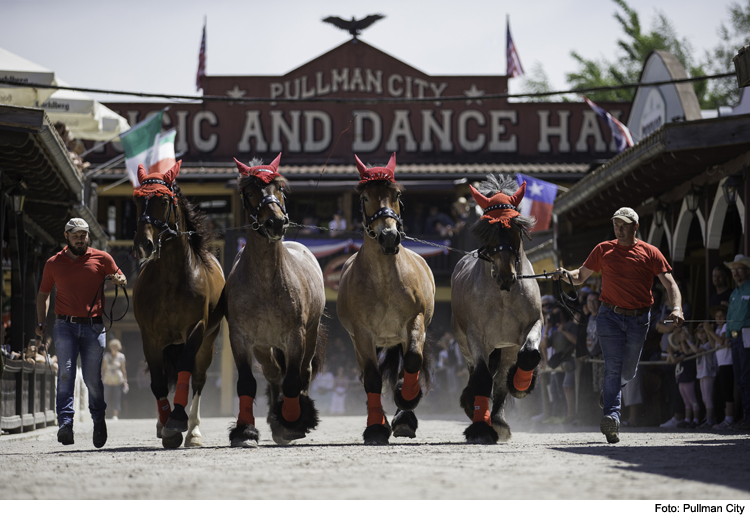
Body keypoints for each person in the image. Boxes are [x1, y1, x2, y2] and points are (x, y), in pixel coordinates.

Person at [553, 206, 684, 444]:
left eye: (624, 225)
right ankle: (612, 418)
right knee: (613, 366)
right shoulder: (603, 249)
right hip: (609, 316)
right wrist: (563, 274)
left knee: (628, 370)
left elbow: (670, 284)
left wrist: (677, 308)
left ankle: (610, 391)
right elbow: (580, 276)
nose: (619, 229)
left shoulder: (651, 252)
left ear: (635, 227)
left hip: (639, 318)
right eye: (616, 224)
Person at [36, 218, 127, 448]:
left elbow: (122, 277)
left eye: (83, 235)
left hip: (94, 327)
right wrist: (41, 322)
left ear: (88, 236)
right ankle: (65, 424)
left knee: (93, 380)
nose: (80, 238)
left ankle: (99, 420)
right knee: (65, 373)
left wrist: (118, 279)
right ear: (66, 236)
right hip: (64, 325)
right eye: (75, 234)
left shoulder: (102, 258)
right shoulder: (53, 263)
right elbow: (43, 294)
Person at [724, 254, 750, 430]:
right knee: (740, 378)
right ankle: (746, 416)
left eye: (739, 269)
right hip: (735, 338)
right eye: (734, 270)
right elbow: (730, 317)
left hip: (747, 335)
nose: (735, 273)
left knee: (746, 377)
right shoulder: (734, 293)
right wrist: (727, 335)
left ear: (747, 271)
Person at [705, 305, 736, 429]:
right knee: (723, 390)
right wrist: (708, 332)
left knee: (728, 390)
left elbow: (722, 341)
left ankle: (730, 419)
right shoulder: (718, 328)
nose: (719, 318)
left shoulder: (726, 326)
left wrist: (710, 331)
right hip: (721, 363)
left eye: (721, 316)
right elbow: (714, 345)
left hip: (728, 362)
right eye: (717, 317)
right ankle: (726, 417)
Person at [102, 339, 128, 420]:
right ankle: (104, 415)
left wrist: (125, 382)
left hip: (117, 381)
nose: (114, 348)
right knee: (105, 397)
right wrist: (101, 379)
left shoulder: (121, 357)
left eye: (116, 346)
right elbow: (103, 368)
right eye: (113, 346)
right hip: (107, 380)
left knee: (117, 397)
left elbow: (123, 370)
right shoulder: (106, 356)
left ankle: (115, 415)